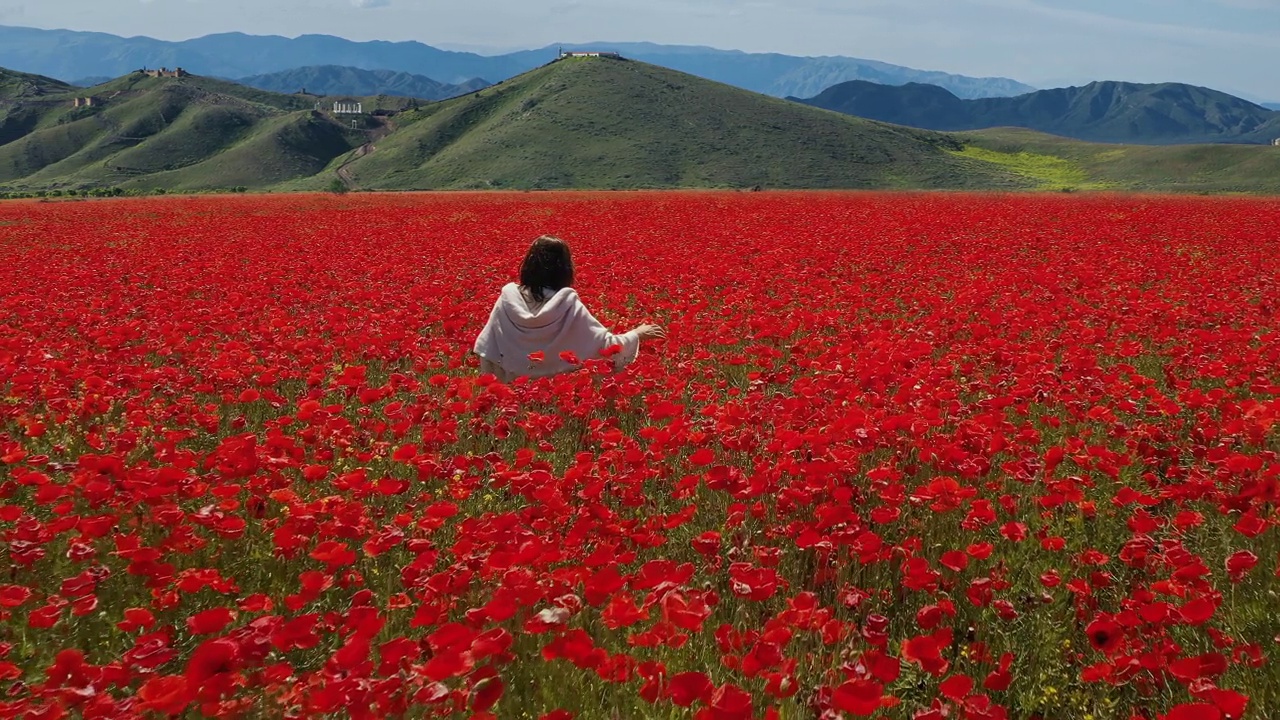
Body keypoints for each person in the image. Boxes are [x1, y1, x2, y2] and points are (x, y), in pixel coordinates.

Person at [473, 235, 665, 383]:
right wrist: (638, 334)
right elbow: (606, 347)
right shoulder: (567, 304)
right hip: (556, 401)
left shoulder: (506, 301)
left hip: (512, 400)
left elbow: (488, 351)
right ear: (565, 269)